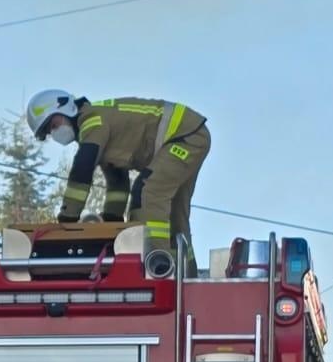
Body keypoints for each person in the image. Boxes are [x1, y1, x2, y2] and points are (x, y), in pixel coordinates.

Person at [26, 89, 210, 276]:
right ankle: (188, 276)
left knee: (148, 192)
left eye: (54, 124)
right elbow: (118, 183)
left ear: (66, 109)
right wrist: (112, 220)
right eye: (49, 131)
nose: (54, 132)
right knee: (174, 214)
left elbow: (82, 171)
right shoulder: (100, 130)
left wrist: (67, 220)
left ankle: (158, 265)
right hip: (191, 134)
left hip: (183, 135)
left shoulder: (92, 121)